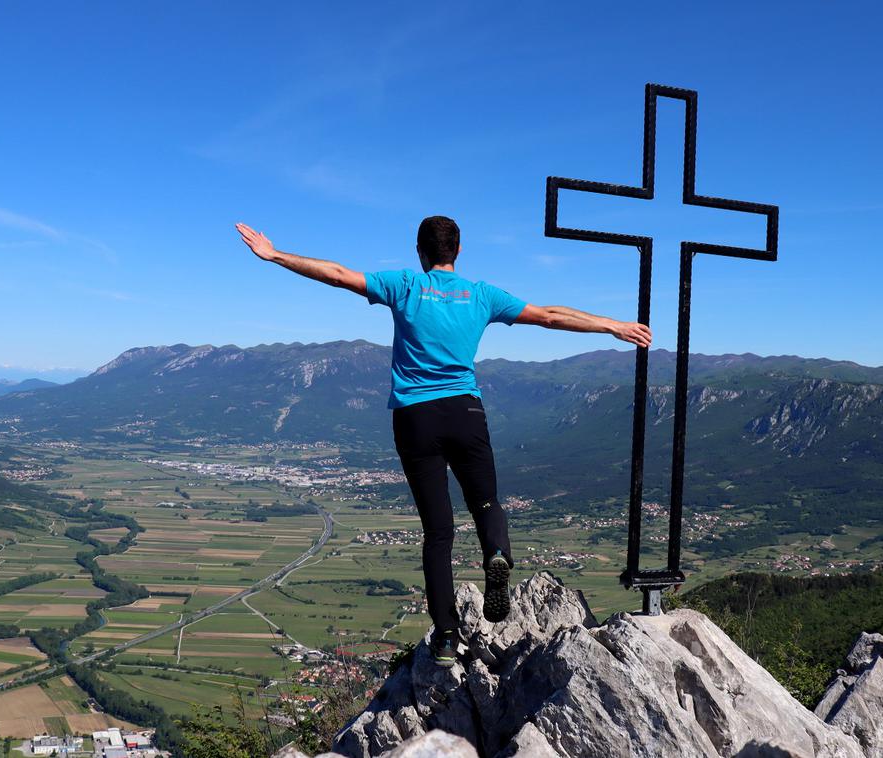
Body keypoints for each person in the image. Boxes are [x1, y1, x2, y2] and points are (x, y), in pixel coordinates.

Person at [236, 216, 651, 666]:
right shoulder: (481, 294)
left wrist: (275, 254)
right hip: (465, 413)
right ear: (458, 249)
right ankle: (495, 552)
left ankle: (448, 636)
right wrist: (612, 325)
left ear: (420, 250)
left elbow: (337, 274)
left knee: (438, 532)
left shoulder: (405, 285)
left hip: (415, 418)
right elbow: (550, 316)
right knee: (487, 503)